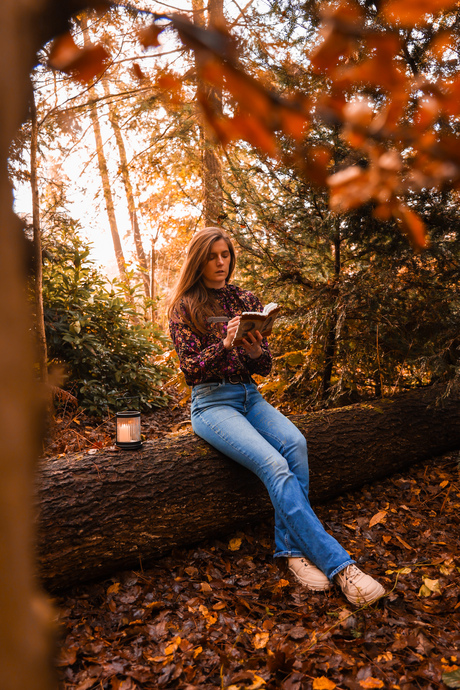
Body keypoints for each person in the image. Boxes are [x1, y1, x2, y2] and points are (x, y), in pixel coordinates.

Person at [168, 226, 385, 606]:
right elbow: (190, 369)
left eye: (226, 255)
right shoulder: (184, 306)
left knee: (296, 444)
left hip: (249, 396)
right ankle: (341, 567)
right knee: (274, 463)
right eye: (213, 256)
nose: (221, 263)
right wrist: (225, 343)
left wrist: (253, 351)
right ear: (198, 259)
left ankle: (291, 552)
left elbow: (265, 366)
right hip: (211, 402)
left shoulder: (244, 298)